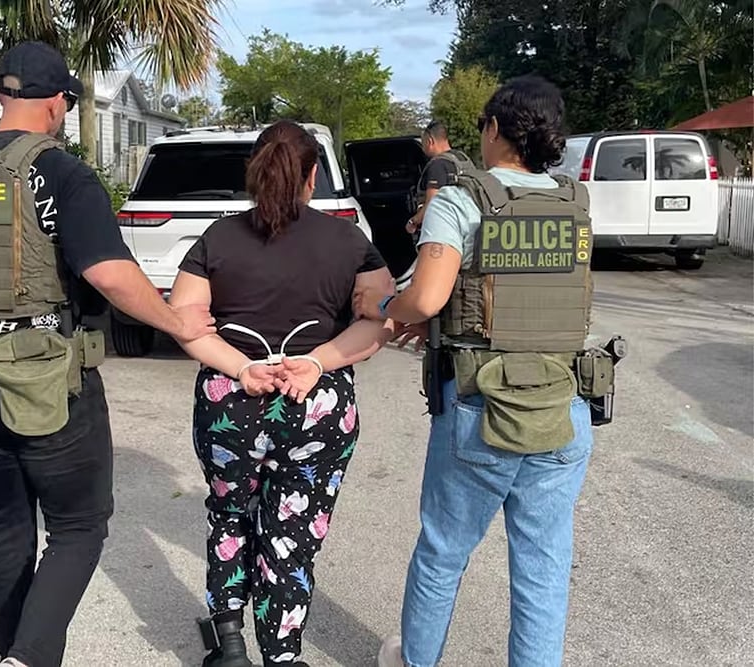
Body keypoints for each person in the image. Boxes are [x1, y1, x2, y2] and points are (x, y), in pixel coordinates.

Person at [0, 41, 215, 667]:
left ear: (1, 95)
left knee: (2, 527)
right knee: (79, 525)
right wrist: (178, 323)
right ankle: (28, 658)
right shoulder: (62, 174)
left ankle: (16, 655)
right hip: (46, 380)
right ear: (58, 104)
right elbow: (110, 274)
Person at [357, 76, 611, 667]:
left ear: (494, 128)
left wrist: (382, 306)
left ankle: (415, 660)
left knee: (443, 553)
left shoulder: (461, 199)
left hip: (481, 404)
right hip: (564, 404)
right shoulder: (575, 202)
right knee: (543, 565)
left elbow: (426, 297)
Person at [167, 120, 397, 667]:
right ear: (312, 175)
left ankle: (228, 647)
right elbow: (380, 320)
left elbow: (184, 321)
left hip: (231, 401)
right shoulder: (349, 241)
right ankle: (283, 655)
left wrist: (243, 368)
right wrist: (317, 361)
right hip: (315, 406)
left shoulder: (217, 239)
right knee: (291, 533)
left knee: (228, 514)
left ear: (255, 171)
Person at [405, 121, 475, 237]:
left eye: (423, 142)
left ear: (430, 141)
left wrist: (414, 221)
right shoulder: (462, 159)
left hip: (444, 231)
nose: (423, 147)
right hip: (468, 226)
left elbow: (432, 204)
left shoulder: (437, 165)